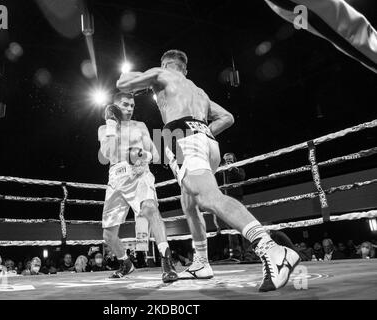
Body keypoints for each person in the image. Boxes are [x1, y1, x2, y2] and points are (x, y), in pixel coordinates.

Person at [117, 49, 300, 292]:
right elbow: (227, 117)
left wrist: (138, 78)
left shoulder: (160, 73)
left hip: (182, 136)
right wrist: (203, 133)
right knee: (189, 202)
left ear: (166, 64)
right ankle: (202, 262)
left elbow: (122, 84)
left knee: (208, 197)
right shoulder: (198, 91)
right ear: (185, 69)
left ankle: (273, 249)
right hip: (207, 139)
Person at [98, 92, 177, 283]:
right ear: (115, 106)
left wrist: (141, 156)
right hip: (116, 177)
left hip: (139, 173)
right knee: (108, 235)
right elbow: (107, 154)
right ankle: (125, 263)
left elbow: (156, 155)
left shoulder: (140, 126)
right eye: (125, 105)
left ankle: (167, 261)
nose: (129, 108)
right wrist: (110, 124)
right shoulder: (103, 128)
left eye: (132, 105)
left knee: (150, 208)